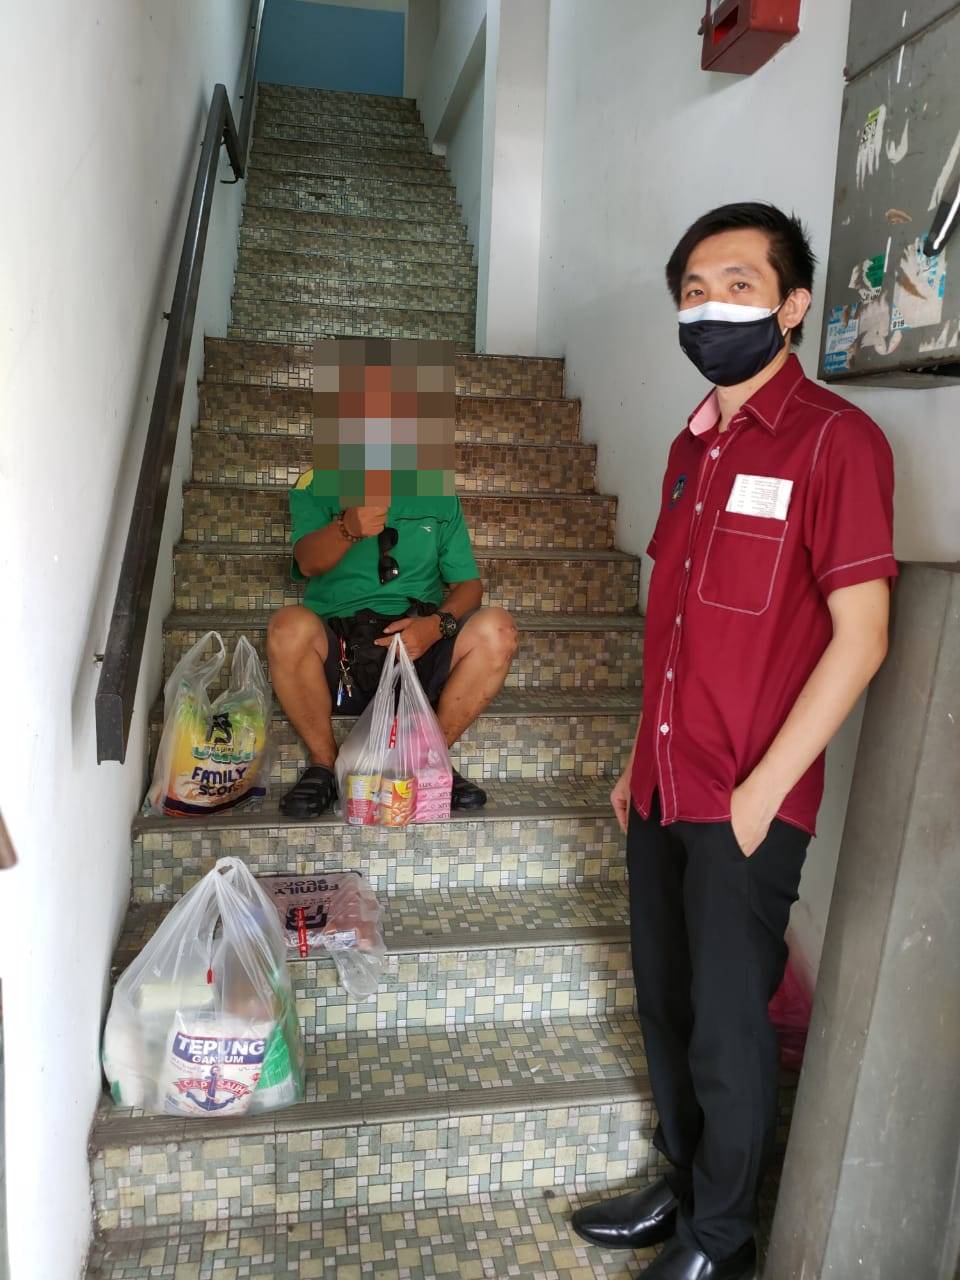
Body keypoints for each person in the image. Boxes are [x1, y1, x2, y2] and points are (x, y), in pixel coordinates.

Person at [571, 203, 896, 1280]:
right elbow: (673, 628)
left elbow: (862, 637)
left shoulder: (836, 442)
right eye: (695, 291)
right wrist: (636, 754)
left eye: (739, 285)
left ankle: (722, 1237)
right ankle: (683, 1181)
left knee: (727, 1024)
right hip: (662, 781)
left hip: (747, 798)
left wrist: (764, 793)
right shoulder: (688, 447)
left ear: (793, 306)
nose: (711, 308)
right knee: (664, 999)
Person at [267, 478, 518, 817]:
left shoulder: (437, 491)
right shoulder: (319, 480)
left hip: (419, 642)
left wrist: (436, 626)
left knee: (497, 629)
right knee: (287, 627)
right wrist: (345, 529)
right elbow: (307, 562)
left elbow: (469, 586)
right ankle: (324, 764)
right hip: (343, 653)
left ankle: (429, 757)